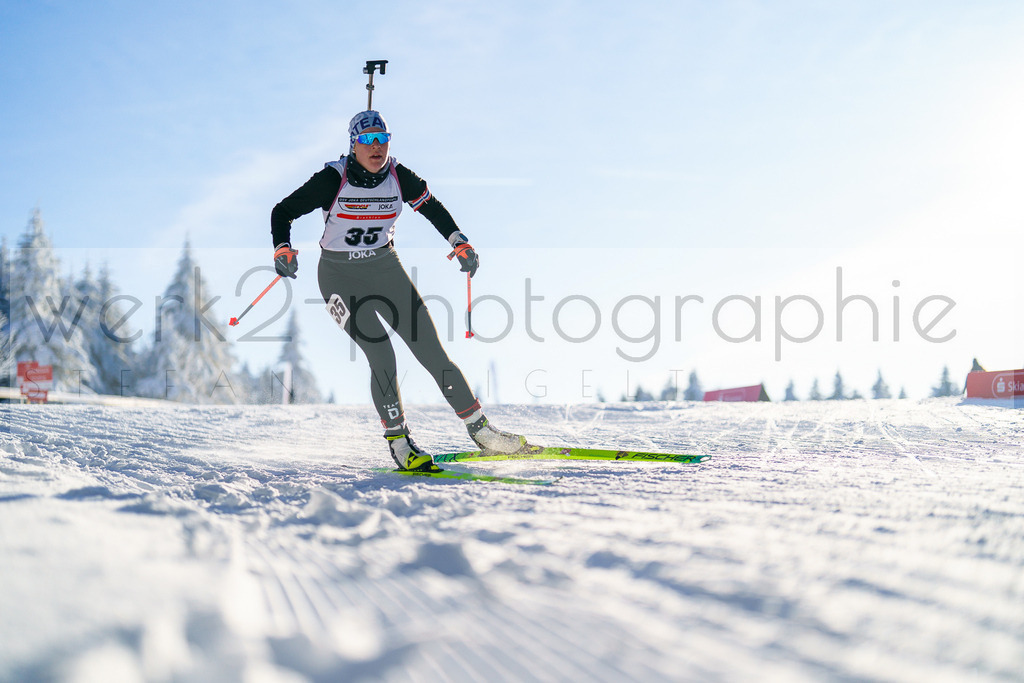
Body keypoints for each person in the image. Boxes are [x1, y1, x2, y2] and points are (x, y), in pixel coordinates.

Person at [270, 110, 526, 471]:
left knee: (432, 352)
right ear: (353, 145)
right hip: (338, 278)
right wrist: (283, 248)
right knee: (381, 352)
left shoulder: (399, 176)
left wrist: (459, 241)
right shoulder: (332, 179)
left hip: (385, 270)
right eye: (367, 140)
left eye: (383, 139)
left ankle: (482, 432)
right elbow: (283, 211)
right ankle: (400, 441)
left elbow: (432, 208)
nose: (376, 147)